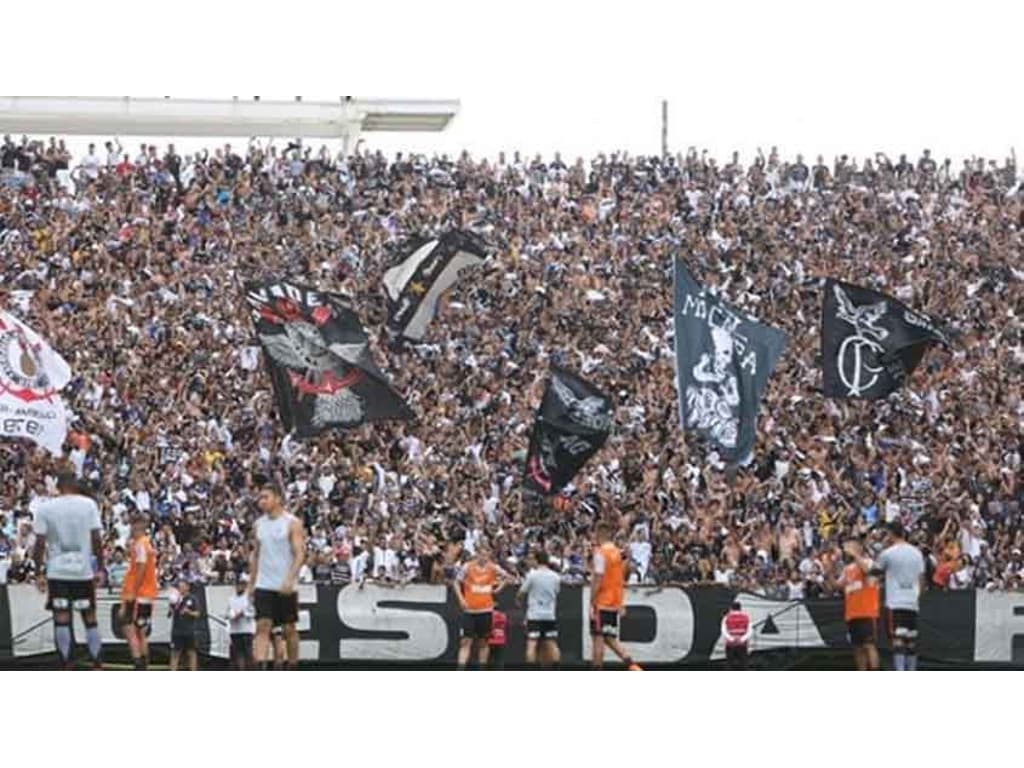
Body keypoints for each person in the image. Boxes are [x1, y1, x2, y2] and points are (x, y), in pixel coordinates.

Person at [31, 472, 105, 670]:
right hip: (82, 570)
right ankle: (97, 663)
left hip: (58, 570)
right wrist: (101, 567)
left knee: (61, 618)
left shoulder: (46, 508)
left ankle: (66, 664)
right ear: (75, 484)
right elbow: (96, 539)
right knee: (90, 618)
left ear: (58, 486)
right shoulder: (88, 505)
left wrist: (38, 571)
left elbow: (39, 543)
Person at [248, 483, 305, 670]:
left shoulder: (291, 523)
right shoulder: (258, 525)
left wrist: (291, 578)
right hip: (264, 583)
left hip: (285, 584)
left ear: (278, 499)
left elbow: (299, 553)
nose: (261, 501)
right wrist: (251, 583)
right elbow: (256, 555)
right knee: (262, 625)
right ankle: (260, 667)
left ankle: (293, 665)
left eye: (266, 497)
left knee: (289, 628)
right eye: (260, 498)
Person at [873, 521, 926, 671]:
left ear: (890, 534)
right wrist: (916, 597)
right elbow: (922, 580)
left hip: (895, 602)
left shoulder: (888, 553)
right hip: (912, 602)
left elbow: (875, 571)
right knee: (911, 640)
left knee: (897, 640)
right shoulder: (917, 553)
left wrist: (882, 547)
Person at [590, 522, 642, 671]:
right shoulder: (617, 553)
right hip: (614, 601)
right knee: (609, 638)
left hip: (602, 601)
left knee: (598, 638)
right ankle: (633, 667)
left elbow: (598, 578)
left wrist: (592, 600)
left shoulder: (600, 553)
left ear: (600, 533)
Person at [454, 544, 506, 670]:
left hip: (486, 610)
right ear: (477, 554)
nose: (483, 557)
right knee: (466, 641)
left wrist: (498, 589)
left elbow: (507, 577)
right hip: (470, 610)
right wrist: (461, 599)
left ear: (489, 555)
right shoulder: (467, 566)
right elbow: (456, 582)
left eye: (486, 554)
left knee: (483, 642)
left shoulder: (493, 567)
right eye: (481, 554)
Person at [119, 514, 159, 670]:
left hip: (138, 594)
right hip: (147, 594)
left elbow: (141, 568)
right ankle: (144, 665)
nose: (131, 528)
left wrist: (133, 592)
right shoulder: (145, 543)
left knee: (128, 628)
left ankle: (139, 665)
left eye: (133, 524)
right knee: (141, 631)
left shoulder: (141, 544)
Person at [838, 537, 880, 671]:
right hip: (852, 613)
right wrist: (829, 570)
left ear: (859, 548)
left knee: (869, 645)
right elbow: (836, 586)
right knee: (857, 647)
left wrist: (855, 554)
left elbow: (868, 571)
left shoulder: (868, 562)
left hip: (866, 611)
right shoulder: (847, 569)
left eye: (851, 546)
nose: (848, 549)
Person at [517, 550, 562, 668]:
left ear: (537, 560)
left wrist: (518, 600)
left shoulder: (532, 575)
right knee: (551, 644)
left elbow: (521, 592)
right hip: (549, 615)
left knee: (531, 644)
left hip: (535, 615)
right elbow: (557, 592)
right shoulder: (556, 577)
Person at [169, 578, 200, 671]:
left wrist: (188, 612)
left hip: (189, 631)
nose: (180, 588)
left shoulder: (193, 598)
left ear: (187, 587)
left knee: (192, 653)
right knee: (175, 653)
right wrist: (172, 606)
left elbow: (197, 614)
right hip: (177, 631)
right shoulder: (175, 598)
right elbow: (170, 613)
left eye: (182, 586)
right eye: (179, 587)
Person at [226, 575, 255, 670]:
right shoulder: (231, 599)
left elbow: (253, 612)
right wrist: (233, 616)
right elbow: (228, 612)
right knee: (238, 653)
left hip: (247, 630)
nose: (240, 587)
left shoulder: (249, 598)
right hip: (235, 630)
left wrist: (243, 614)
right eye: (238, 585)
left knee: (248, 653)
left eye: (242, 585)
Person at [720, 600, 752, 670]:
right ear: (740, 608)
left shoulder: (726, 618)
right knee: (743, 664)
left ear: (731, 608)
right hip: (742, 644)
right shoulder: (746, 617)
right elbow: (749, 631)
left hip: (730, 644)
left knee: (730, 664)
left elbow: (724, 630)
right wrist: (742, 639)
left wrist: (732, 639)